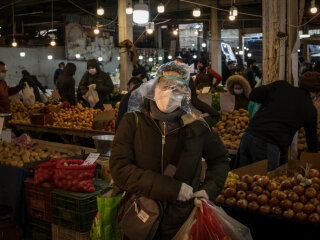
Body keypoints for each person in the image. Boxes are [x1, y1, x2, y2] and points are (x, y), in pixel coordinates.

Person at [110, 62, 229, 239]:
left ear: (186, 94)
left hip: (182, 223)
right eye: (165, 86)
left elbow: (220, 160)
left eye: (178, 88)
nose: (170, 93)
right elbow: (120, 168)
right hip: (141, 215)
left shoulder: (197, 127)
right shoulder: (132, 122)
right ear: (154, 86)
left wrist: (209, 190)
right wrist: (172, 189)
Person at [237, 78, 319, 171]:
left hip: (248, 137)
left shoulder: (281, 85)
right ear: (314, 92)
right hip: (268, 145)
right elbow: (312, 140)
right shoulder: (310, 109)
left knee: (242, 179)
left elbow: (254, 95)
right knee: (264, 182)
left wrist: (270, 103)